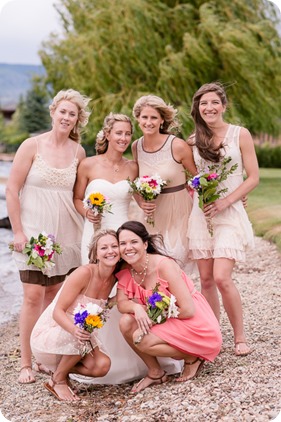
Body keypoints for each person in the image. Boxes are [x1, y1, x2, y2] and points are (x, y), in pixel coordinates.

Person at [73, 113, 181, 383]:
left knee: (123, 288)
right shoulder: (87, 164)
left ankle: (136, 354)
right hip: (95, 234)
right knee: (97, 289)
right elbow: (76, 198)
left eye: (126, 134)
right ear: (107, 134)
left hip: (123, 235)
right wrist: (87, 212)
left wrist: (146, 203)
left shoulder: (132, 167)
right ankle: (95, 353)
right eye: (118, 133)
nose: (123, 138)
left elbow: (137, 195)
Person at [5, 89, 90, 384]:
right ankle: (26, 363)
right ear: (53, 112)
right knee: (31, 297)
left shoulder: (78, 152)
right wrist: (17, 230)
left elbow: (80, 194)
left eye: (73, 114)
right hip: (32, 234)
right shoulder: (32, 145)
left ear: (77, 120)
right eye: (63, 111)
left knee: (54, 297)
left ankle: (43, 356)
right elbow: (12, 189)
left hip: (67, 234)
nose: (66, 117)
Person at [187, 82, 259, 356]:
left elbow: (253, 177)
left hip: (228, 212)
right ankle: (213, 334)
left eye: (214, 102)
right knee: (205, 279)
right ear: (197, 108)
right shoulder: (193, 140)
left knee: (221, 277)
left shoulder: (240, 135)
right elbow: (189, 179)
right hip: (201, 214)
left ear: (224, 105)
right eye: (203, 103)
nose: (209, 108)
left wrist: (228, 200)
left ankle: (240, 337)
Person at [116, 221, 222, 394]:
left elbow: (188, 310)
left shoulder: (164, 265)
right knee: (126, 321)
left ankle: (192, 357)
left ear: (145, 244)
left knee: (140, 338)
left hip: (193, 322)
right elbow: (121, 303)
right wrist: (137, 308)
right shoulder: (128, 269)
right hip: (168, 317)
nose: (128, 247)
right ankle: (155, 372)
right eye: (123, 243)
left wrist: (152, 317)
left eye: (133, 242)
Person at [31, 230, 120, 401]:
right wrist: (73, 330)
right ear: (95, 253)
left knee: (102, 366)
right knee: (81, 330)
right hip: (53, 332)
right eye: (104, 248)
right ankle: (57, 380)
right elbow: (58, 311)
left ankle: (53, 370)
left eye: (114, 246)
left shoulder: (114, 278)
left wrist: (118, 299)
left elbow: (101, 306)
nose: (110, 251)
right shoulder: (84, 273)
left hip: (79, 337)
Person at [131, 95, 197, 274]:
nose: (149, 122)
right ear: (138, 119)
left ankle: (185, 301)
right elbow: (134, 182)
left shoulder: (177, 146)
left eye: (154, 117)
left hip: (179, 212)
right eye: (144, 117)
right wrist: (141, 202)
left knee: (176, 264)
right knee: (154, 265)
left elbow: (199, 178)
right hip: (152, 214)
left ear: (162, 120)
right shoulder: (136, 146)